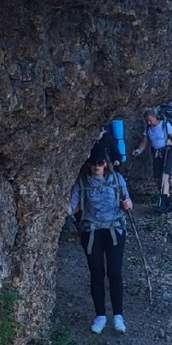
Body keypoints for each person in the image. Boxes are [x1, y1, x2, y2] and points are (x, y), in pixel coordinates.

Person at [69, 142, 133, 334]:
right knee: (96, 273)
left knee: (114, 272)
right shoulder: (82, 182)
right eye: (93, 163)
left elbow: (126, 201)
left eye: (100, 162)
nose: (96, 166)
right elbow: (72, 206)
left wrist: (128, 204)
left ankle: (118, 316)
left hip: (114, 230)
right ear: (89, 164)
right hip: (92, 231)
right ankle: (100, 316)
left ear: (106, 163)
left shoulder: (117, 179)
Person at [132, 109, 172, 211]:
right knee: (158, 179)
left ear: (155, 117)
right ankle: (169, 203)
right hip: (156, 154)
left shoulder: (164, 125)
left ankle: (161, 204)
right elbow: (144, 143)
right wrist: (138, 151)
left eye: (150, 120)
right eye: (147, 121)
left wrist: (170, 143)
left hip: (167, 152)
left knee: (164, 177)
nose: (149, 123)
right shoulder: (148, 128)